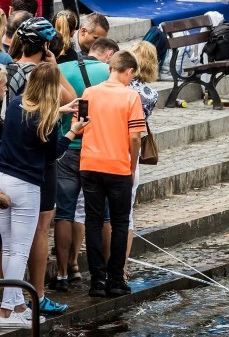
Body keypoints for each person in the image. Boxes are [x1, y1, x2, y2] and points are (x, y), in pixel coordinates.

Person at [0, 64, 84, 328]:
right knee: (20, 251)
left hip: (4, 180)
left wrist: (59, 111)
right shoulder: (45, 119)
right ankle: (6, 311)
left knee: (7, 246)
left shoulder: (15, 104)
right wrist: (73, 130)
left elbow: (33, 114)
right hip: (27, 186)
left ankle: (17, 305)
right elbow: (54, 154)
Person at [52, 37, 118, 294]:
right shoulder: (108, 73)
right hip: (98, 150)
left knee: (65, 213)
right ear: (105, 55)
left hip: (68, 147)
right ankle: (103, 276)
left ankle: (62, 273)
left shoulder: (61, 70)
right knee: (104, 215)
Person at [78, 51, 144, 298]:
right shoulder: (131, 96)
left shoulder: (89, 93)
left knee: (93, 221)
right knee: (119, 223)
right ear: (128, 71)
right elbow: (135, 136)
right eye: (131, 75)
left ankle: (96, 281)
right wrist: (132, 163)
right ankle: (116, 279)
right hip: (118, 166)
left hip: (90, 164)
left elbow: (80, 125)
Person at [125, 41, 159, 276]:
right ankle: (122, 266)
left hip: (110, 148)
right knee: (126, 215)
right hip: (131, 154)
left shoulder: (122, 89)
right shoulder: (151, 94)